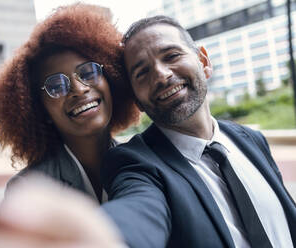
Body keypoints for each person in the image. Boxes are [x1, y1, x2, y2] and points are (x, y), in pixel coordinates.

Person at [101, 15, 296, 247]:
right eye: (142, 72)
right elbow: (135, 213)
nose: (161, 75)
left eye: (172, 56)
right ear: (137, 101)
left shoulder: (252, 139)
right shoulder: (133, 164)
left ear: (203, 60)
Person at [0, 3, 139, 203]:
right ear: (40, 110)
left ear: (111, 78)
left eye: (88, 72)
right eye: (56, 85)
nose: (79, 88)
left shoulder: (142, 161)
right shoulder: (27, 191)